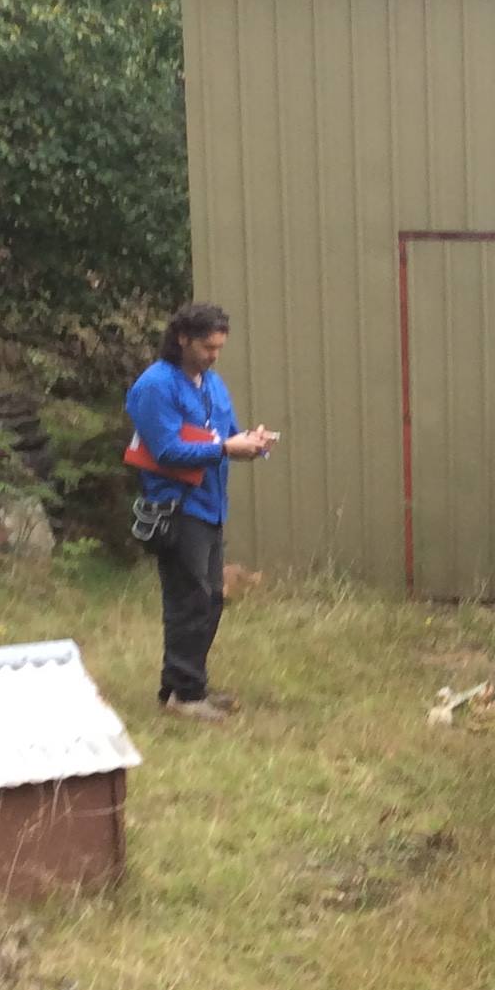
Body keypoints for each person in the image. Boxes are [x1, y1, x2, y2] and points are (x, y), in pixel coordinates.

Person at [125, 302, 277, 722]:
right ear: (182, 339)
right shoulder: (155, 386)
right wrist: (226, 448)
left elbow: (225, 437)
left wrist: (252, 442)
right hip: (175, 508)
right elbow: (167, 449)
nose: (214, 355)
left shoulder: (212, 384)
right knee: (188, 599)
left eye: (219, 348)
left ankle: (185, 686)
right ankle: (185, 698)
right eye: (208, 347)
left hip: (211, 506)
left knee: (209, 599)